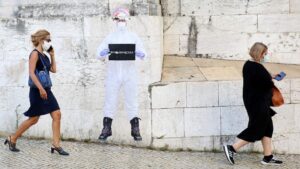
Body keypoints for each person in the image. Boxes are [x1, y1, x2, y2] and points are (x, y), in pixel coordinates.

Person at [4, 29, 69, 156]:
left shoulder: (44, 55)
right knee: (34, 119)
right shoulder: (34, 54)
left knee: (57, 114)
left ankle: (56, 145)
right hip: (37, 90)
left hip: (47, 90)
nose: (49, 42)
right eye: (48, 40)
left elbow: (54, 70)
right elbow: (31, 73)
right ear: (41, 40)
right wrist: (40, 88)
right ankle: (13, 138)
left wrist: (52, 55)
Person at [223, 42, 283, 165]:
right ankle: (232, 148)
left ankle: (268, 157)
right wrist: (271, 80)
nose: (266, 56)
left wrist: (270, 76)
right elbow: (266, 84)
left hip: (256, 102)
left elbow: (259, 79)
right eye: (265, 53)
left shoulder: (249, 65)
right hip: (258, 103)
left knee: (267, 128)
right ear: (259, 53)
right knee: (257, 128)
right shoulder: (257, 67)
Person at [96, 7, 146, 141]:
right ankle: (107, 128)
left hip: (129, 73)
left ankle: (135, 128)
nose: (121, 22)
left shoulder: (133, 36)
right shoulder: (110, 37)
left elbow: (143, 52)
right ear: (115, 20)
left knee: (132, 99)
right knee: (110, 99)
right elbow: (98, 52)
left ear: (127, 20)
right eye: (119, 19)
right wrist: (103, 53)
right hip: (113, 73)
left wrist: (140, 54)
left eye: (123, 19)